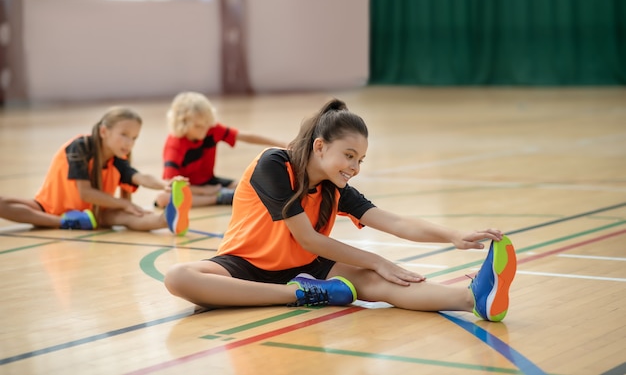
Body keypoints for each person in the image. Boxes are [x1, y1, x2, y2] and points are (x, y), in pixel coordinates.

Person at [164, 99, 517, 322]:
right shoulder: (274, 164)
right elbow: (306, 236)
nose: (355, 166)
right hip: (245, 264)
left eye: (360, 159)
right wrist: (375, 259)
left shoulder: (336, 187)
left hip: (306, 266)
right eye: (349, 156)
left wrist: (452, 235)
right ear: (320, 146)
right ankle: (302, 294)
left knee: (380, 282)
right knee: (178, 277)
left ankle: (472, 299)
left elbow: (392, 221)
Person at [0, 106, 192, 236]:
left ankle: (166, 219)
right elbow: (85, 192)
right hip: (52, 207)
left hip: (93, 215)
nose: (129, 143)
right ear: (103, 132)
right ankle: (64, 222)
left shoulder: (118, 158)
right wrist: (120, 203)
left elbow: (139, 176)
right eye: (124, 135)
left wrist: (165, 184)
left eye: (134, 138)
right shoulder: (80, 147)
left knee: (128, 216)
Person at [154, 91, 287, 208]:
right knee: (163, 198)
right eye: (198, 126)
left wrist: (282, 144)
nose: (204, 130)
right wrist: (204, 191)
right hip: (188, 188)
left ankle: (223, 194)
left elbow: (245, 136)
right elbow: (170, 184)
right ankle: (218, 198)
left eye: (206, 124)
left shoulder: (211, 130)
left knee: (246, 185)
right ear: (182, 123)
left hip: (210, 181)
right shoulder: (174, 145)